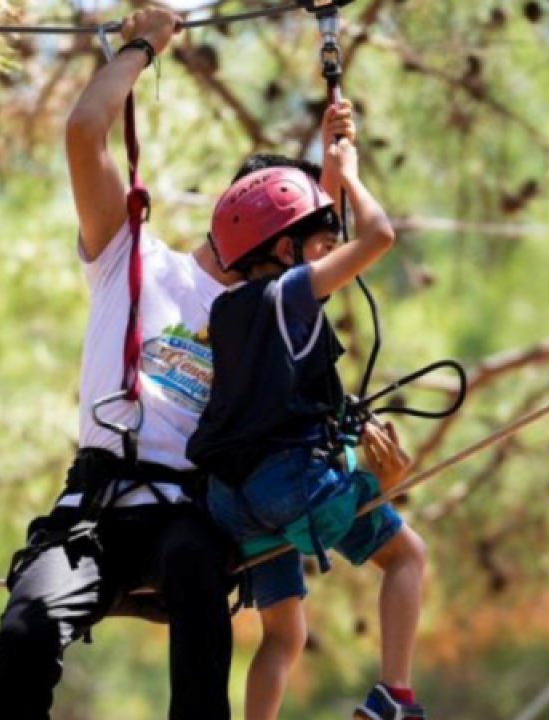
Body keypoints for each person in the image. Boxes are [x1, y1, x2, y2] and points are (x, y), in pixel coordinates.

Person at [0, 7, 369, 719]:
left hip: (185, 517)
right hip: (95, 510)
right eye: (305, 242)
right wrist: (140, 47)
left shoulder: (269, 319)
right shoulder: (131, 258)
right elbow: (84, 132)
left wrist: (337, 171)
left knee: (195, 571)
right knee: (21, 636)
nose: (313, 265)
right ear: (274, 239)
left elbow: (330, 273)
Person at [187, 134, 431, 719]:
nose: (330, 257)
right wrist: (349, 174)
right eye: (321, 247)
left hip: (231, 499)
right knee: (407, 557)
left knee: (283, 635)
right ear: (287, 250)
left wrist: (327, 172)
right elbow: (379, 237)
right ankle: (394, 696)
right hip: (287, 486)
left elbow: (302, 234)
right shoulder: (290, 294)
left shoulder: (229, 308)